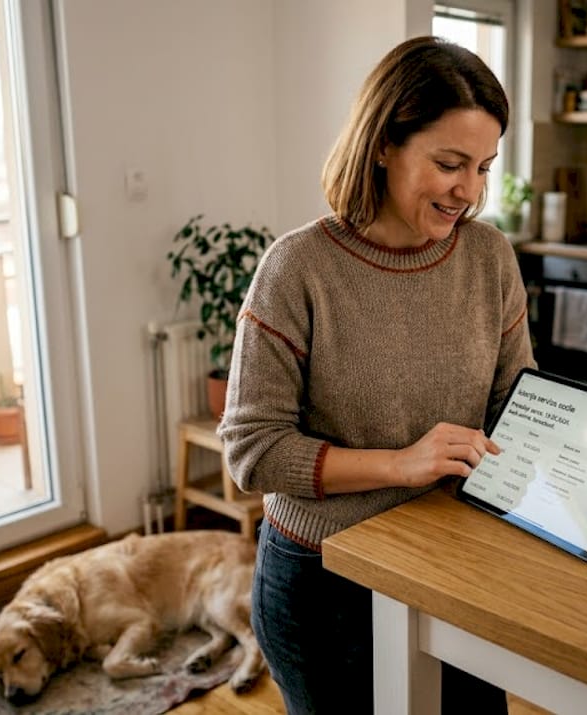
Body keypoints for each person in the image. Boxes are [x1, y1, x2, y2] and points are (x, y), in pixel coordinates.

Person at [218, 36, 535, 715]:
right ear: (384, 144)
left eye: (483, 167)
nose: (470, 191)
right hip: (324, 581)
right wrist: (401, 463)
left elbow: (517, 398)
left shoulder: (489, 258)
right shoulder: (297, 269)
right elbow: (252, 449)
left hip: (452, 561)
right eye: (450, 163)